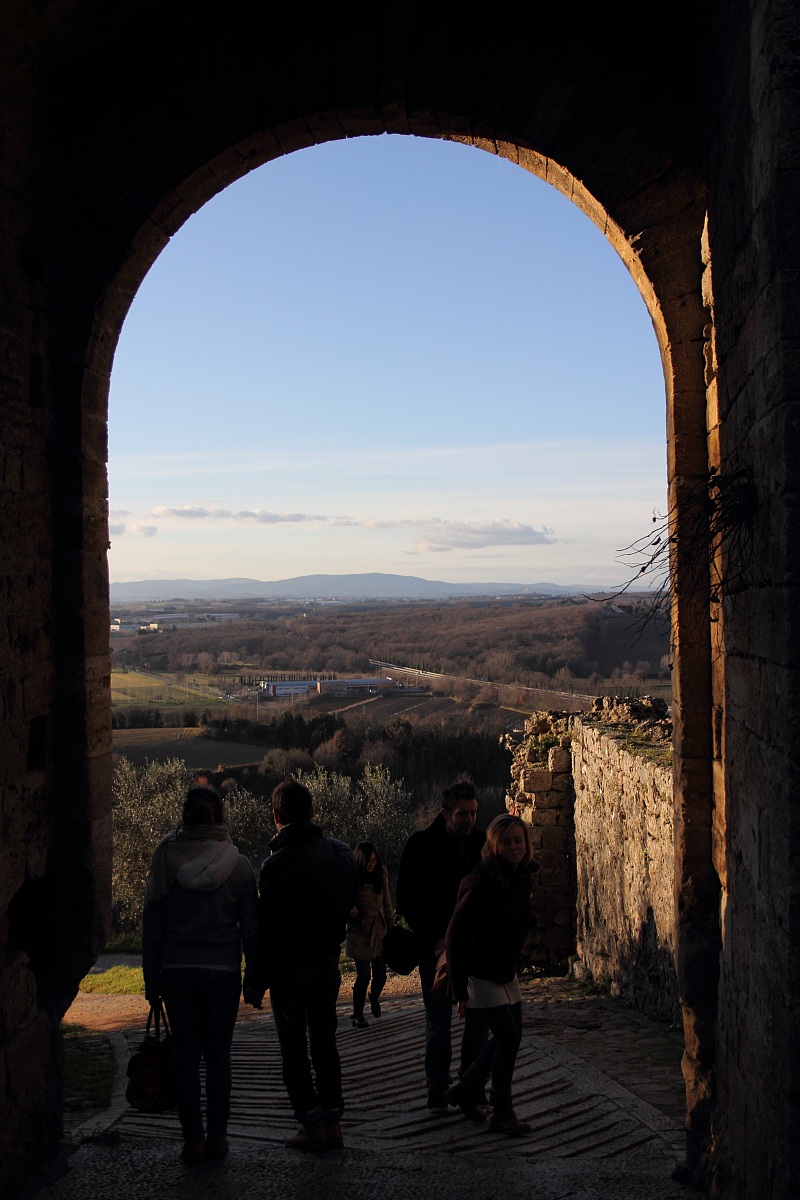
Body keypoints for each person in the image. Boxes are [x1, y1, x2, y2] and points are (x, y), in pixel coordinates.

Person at [142, 785, 259, 1165]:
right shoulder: (238, 865)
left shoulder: (166, 859)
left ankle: (193, 1139)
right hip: (223, 972)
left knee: (188, 1058)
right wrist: (255, 975)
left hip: (176, 971)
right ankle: (219, 1138)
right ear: (222, 819)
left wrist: (151, 980)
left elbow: (152, 926)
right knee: (219, 1057)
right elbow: (251, 929)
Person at [249, 778, 359, 1151]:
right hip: (328, 963)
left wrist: (256, 979)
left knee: (294, 1048)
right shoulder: (341, 855)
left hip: (290, 970)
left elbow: (269, 930)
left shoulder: (274, 867)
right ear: (313, 812)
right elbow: (349, 899)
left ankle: (312, 1124)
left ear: (276, 816)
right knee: (325, 1042)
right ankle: (334, 1121)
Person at [396, 779, 488, 1108]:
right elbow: (406, 900)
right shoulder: (420, 845)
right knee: (438, 1023)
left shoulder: (482, 845)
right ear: (446, 813)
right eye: (463, 814)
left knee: (477, 1021)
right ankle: (437, 1087)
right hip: (434, 951)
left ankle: (470, 1085)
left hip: (475, 951)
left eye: (474, 813)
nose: (470, 819)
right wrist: (435, 941)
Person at [444, 813, 537, 1136]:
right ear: (494, 845)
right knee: (508, 1038)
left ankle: (467, 1086)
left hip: (505, 971)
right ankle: (502, 1108)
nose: (514, 847)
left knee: (509, 1036)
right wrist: (459, 991)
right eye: (507, 842)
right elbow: (456, 936)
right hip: (482, 973)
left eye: (518, 841)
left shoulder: (519, 876)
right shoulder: (482, 882)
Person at [346, 842, 395, 1028]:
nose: (372, 864)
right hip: (359, 932)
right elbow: (345, 901)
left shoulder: (380, 874)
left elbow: (387, 902)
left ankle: (374, 997)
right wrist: (351, 911)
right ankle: (358, 1014)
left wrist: (391, 927)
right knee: (364, 975)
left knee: (381, 976)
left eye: (374, 860)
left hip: (379, 930)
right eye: (369, 861)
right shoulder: (353, 876)